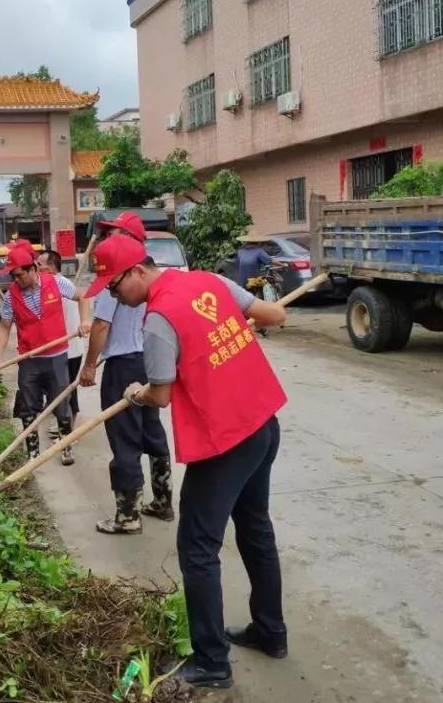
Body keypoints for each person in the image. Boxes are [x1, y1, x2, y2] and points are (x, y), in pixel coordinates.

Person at [84, 233, 289, 691]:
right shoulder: (208, 282)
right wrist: (237, 326)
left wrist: (135, 393)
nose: (114, 297)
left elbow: (160, 394)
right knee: (255, 529)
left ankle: (212, 661)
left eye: (114, 288)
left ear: (137, 271)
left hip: (226, 442)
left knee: (197, 550)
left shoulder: (157, 320)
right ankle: (271, 632)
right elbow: (276, 314)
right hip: (262, 424)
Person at [79, 212, 172, 535]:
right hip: (150, 360)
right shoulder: (151, 274)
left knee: (125, 440)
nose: (106, 239)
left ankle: (128, 515)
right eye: (105, 233)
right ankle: (163, 500)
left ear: (130, 239)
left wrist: (89, 365)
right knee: (152, 432)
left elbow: (102, 325)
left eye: (112, 233)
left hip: (123, 366)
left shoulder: (115, 275)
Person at [0, 245, 90, 465]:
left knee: (61, 404)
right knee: (28, 406)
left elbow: (83, 297)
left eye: (19, 275)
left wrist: (84, 321)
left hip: (57, 356)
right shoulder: (11, 296)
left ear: (33, 268)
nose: (16, 280)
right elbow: (5, 327)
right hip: (29, 359)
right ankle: (33, 451)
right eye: (13, 276)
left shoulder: (56, 282)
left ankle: (66, 447)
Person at [35, 249, 84, 435]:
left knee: (68, 390)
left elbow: (83, 297)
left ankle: (70, 432)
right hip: (57, 348)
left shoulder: (58, 283)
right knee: (58, 389)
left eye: (39, 265)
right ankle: (64, 424)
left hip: (69, 349)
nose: (36, 268)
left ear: (51, 268)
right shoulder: (48, 284)